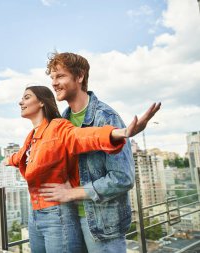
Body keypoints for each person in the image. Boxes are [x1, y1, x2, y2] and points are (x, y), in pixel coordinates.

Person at [6, 85, 160, 253]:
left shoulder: (57, 126)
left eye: (26, 97)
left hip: (56, 214)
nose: (20, 102)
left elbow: (84, 136)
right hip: (34, 214)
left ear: (42, 102)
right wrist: (8, 160)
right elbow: (22, 156)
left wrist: (119, 133)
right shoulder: (32, 136)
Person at [39, 52, 146, 253]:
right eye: (52, 78)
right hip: (69, 221)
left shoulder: (105, 117)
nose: (54, 83)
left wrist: (72, 193)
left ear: (79, 77)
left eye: (60, 76)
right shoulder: (62, 122)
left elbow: (123, 178)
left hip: (102, 225)